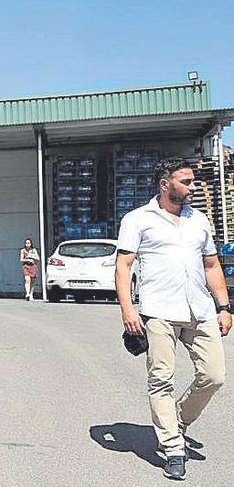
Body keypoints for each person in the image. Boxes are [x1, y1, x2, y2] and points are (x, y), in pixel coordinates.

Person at [116, 157, 231, 481]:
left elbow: (211, 265)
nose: (193, 187)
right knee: (161, 380)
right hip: (159, 311)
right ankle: (172, 448)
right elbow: (123, 266)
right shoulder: (138, 219)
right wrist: (128, 308)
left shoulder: (200, 221)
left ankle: (176, 420)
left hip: (201, 309)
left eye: (193, 181)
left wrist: (224, 306)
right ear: (165, 185)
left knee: (214, 376)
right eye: (187, 182)